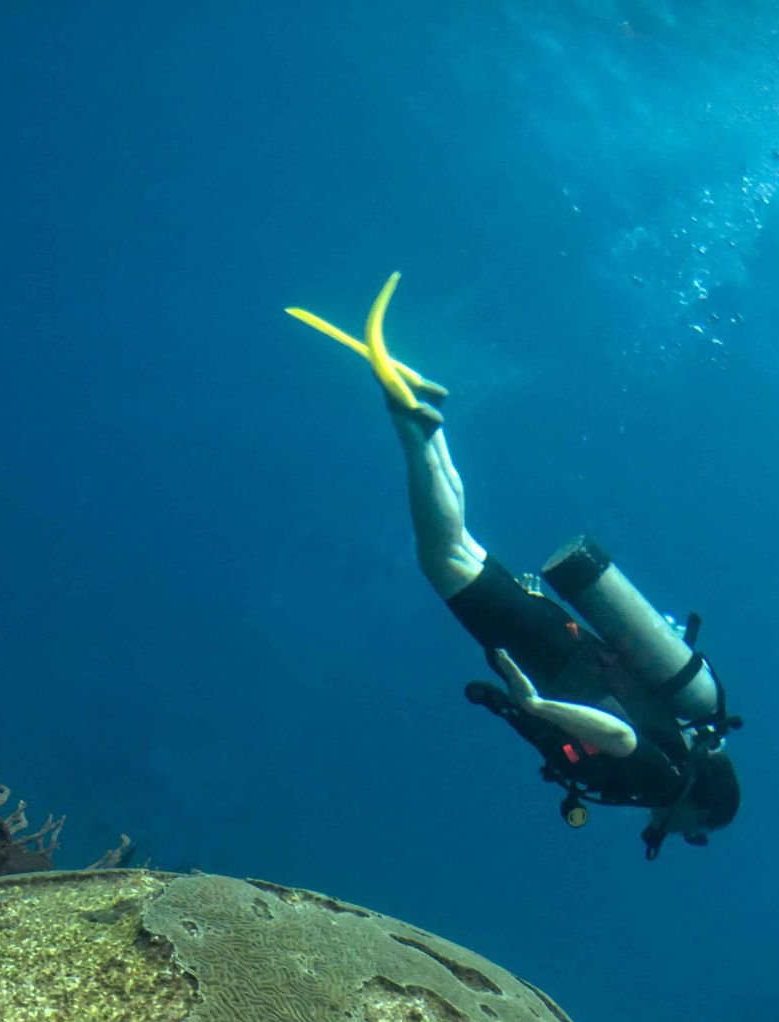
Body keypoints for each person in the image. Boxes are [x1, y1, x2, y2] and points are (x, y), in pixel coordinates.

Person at [289, 276, 742, 858]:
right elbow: (620, 735)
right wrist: (535, 706)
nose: (688, 836)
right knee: (443, 555)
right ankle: (413, 424)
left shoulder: (681, 745)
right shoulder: (662, 781)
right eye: (698, 831)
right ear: (700, 808)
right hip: (552, 657)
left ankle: (422, 420)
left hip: (561, 642)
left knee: (461, 547)